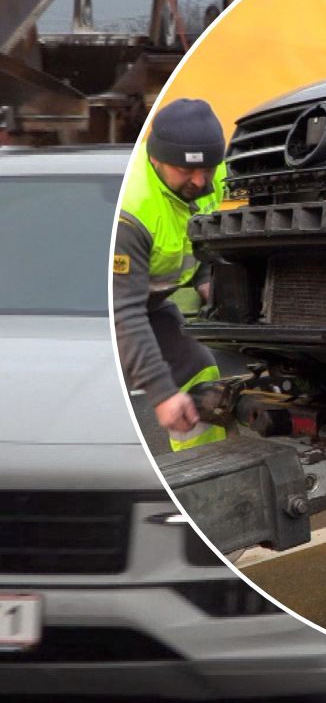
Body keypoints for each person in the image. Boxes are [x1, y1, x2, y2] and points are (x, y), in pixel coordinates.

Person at [112, 98, 228, 450]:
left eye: (207, 169)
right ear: (156, 158)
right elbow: (123, 312)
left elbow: (200, 234)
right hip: (105, 312)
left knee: (200, 372)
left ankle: (208, 474)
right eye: (186, 171)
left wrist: (207, 278)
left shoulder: (213, 175)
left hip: (151, 302)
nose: (200, 180)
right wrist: (162, 393)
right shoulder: (132, 209)